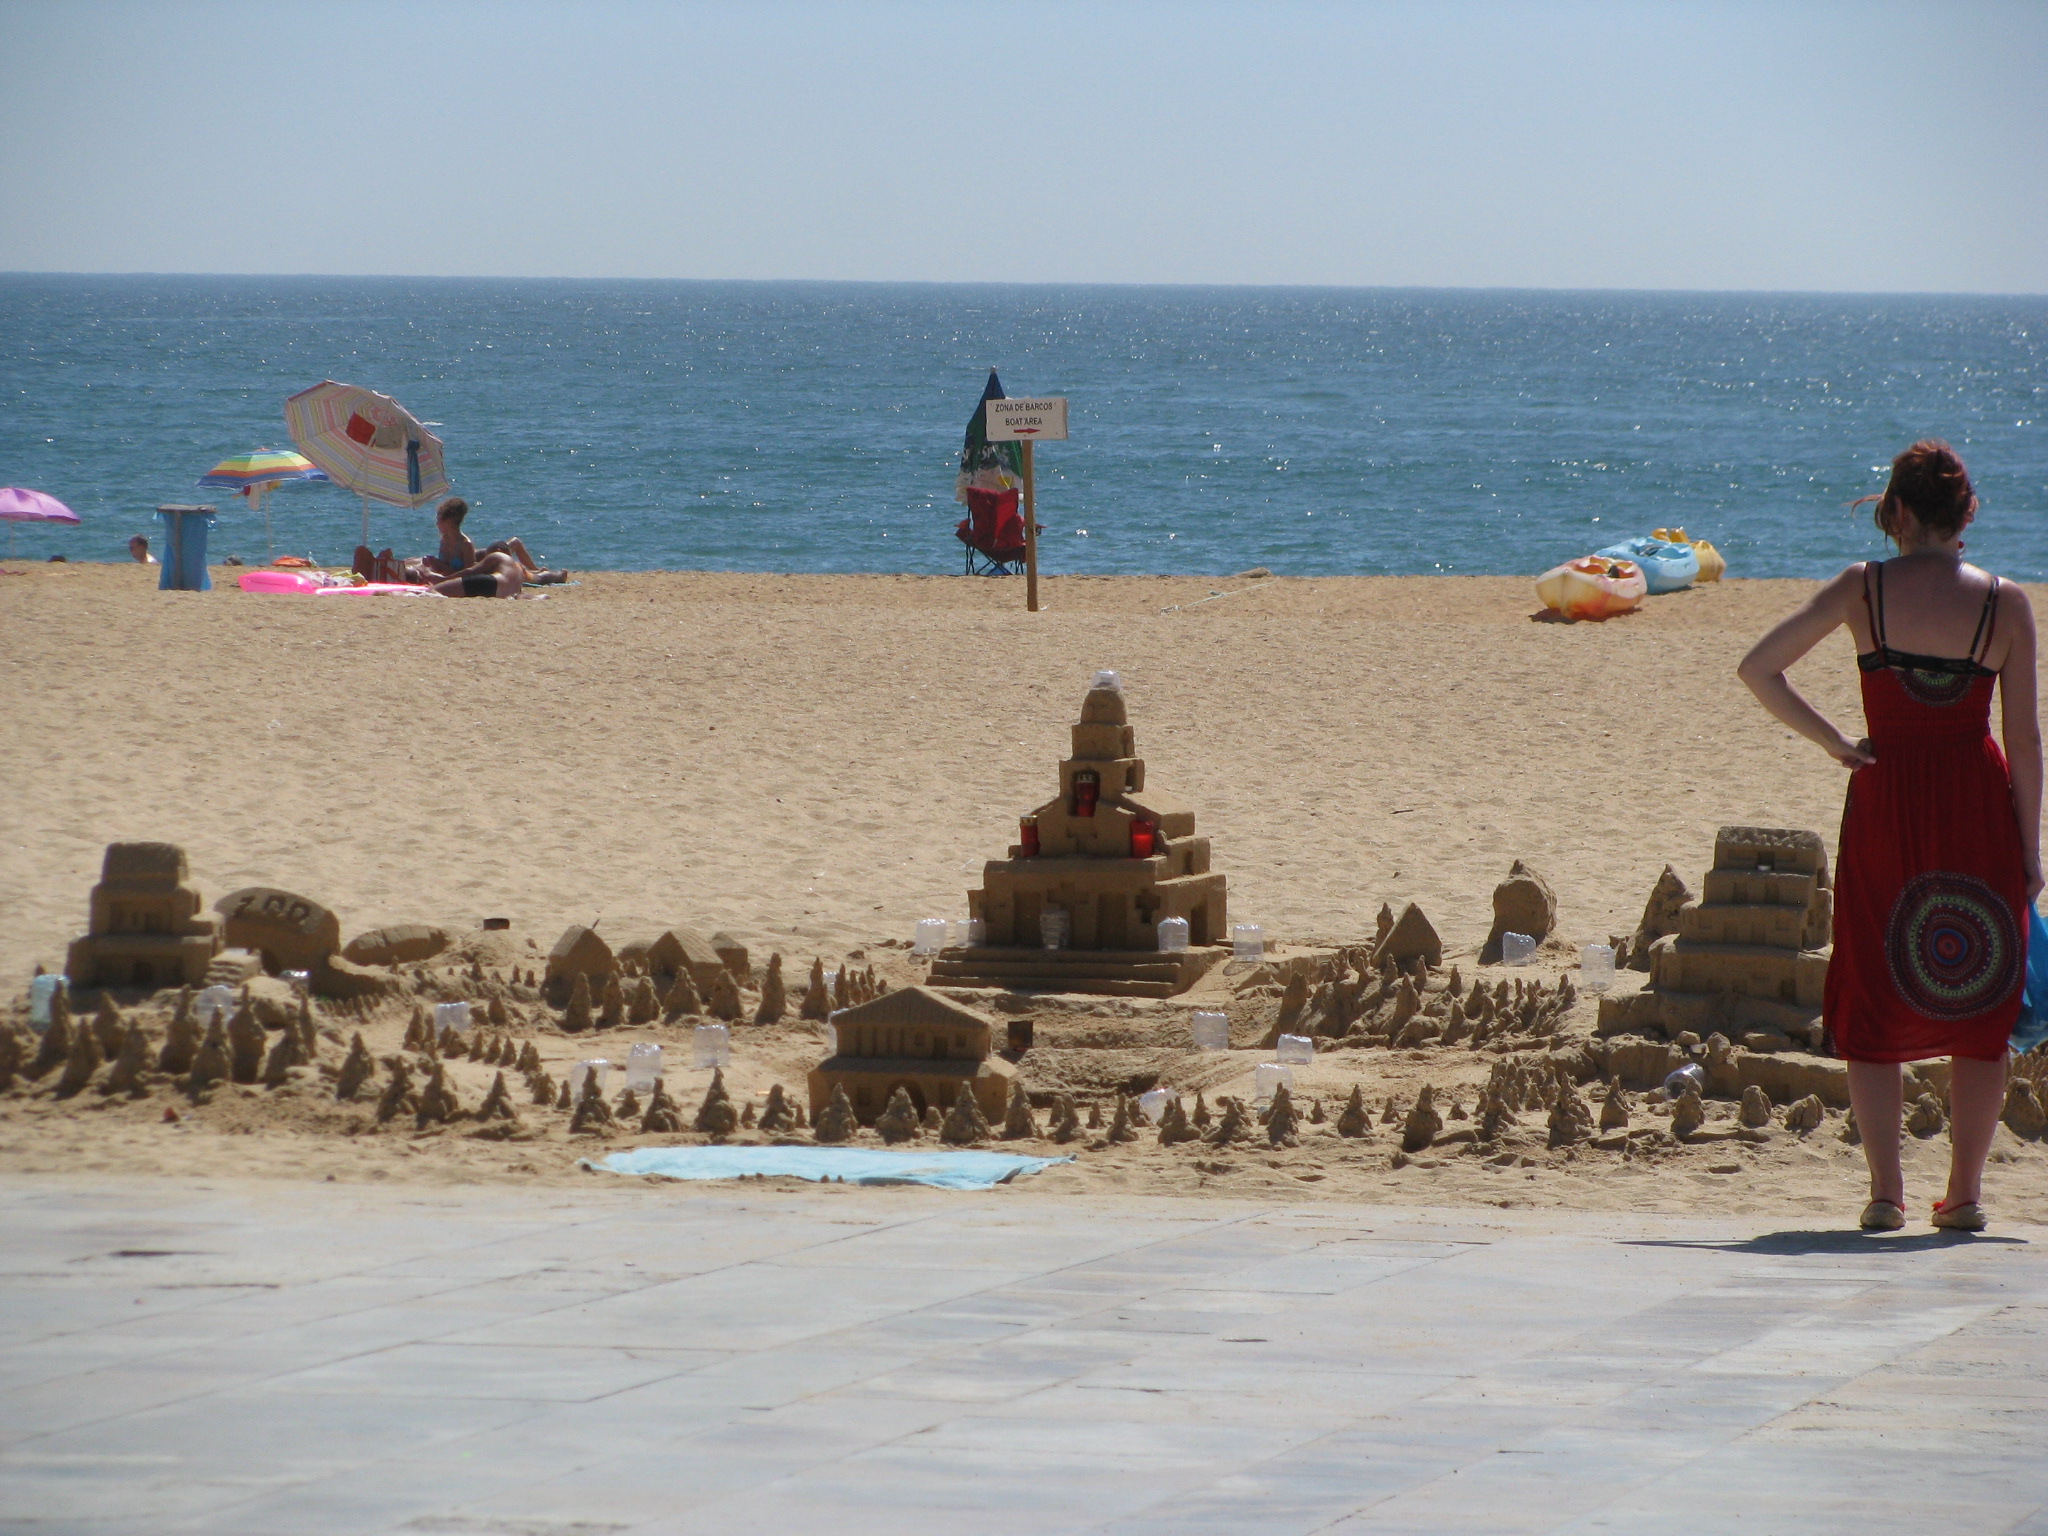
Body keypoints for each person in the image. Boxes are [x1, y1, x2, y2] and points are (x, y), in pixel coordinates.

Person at [1738, 440, 2040, 1234]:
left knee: (1874, 994)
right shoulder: (2004, 603)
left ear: (1896, 511)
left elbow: (1760, 668)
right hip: (1977, 806)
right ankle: (1964, 1194)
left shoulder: (1861, 589)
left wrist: (1837, 742)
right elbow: (2026, 740)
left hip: (1887, 803)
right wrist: (2031, 850)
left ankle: (1885, 1194)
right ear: (1967, 514)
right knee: (1981, 1005)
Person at [425, 548, 527, 598]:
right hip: (498, 593)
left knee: (433, 590)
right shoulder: (517, 571)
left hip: (489, 583)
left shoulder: (497, 555)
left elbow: (471, 571)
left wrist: (443, 579)